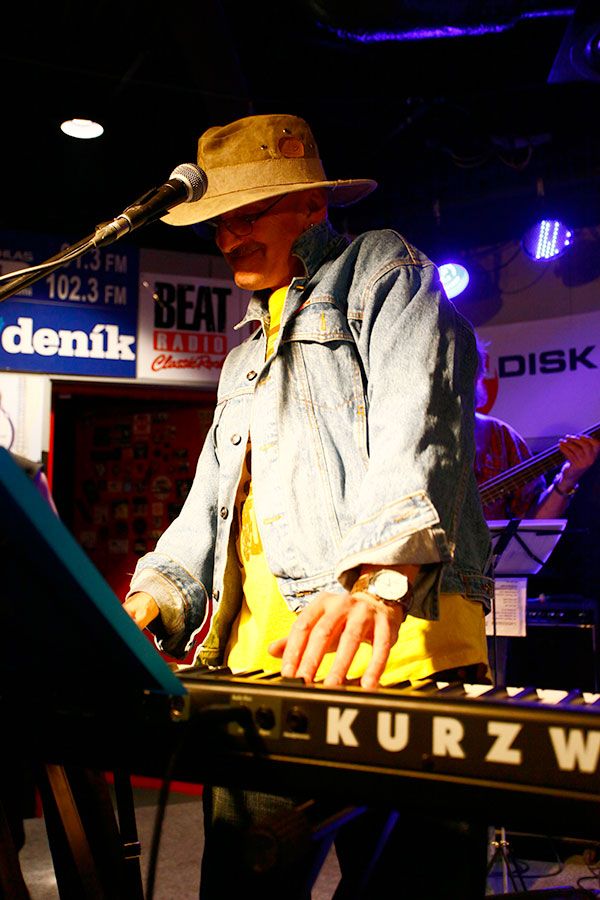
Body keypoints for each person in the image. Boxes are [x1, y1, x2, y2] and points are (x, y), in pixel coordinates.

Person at [123, 113, 494, 899]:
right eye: (219, 223)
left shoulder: (380, 267)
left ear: (314, 205)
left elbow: (419, 412)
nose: (229, 238)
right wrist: (149, 598)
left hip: (400, 663)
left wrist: (381, 575)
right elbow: (207, 508)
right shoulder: (240, 360)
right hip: (261, 677)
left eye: (250, 214)